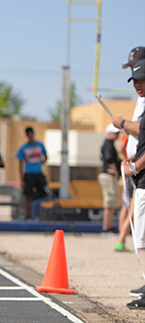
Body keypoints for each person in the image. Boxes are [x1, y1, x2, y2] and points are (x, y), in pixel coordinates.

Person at [112, 46, 145, 252]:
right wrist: (132, 158)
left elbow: (141, 129)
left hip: (140, 169)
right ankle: (122, 236)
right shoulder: (141, 99)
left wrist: (122, 122)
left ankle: (122, 236)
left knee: (135, 209)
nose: (135, 81)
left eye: (140, 76)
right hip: (137, 166)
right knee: (132, 207)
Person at [121, 59, 145, 309]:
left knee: (142, 240)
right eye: (134, 79)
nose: (137, 84)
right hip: (140, 177)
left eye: (141, 79)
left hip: (142, 178)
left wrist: (133, 167)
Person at [16, 126, 48, 220]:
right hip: (29, 173)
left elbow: (46, 156)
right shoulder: (23, 148)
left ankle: (44, 213)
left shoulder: (40, 145)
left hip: (38, 172)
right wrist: (22, 179)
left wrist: (41, 163)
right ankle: (28, 215)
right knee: (28, 195)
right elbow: (20, 164)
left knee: (44, 192)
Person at [98, 123, 121, 234]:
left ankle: (110, 226)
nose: (118, 136)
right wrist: (115, 171)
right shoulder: (108, 144)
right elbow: (109, 159)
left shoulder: (109, 144)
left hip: (108, 176)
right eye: (116, 133)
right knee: (109, 202)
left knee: (112, 203)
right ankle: (106, 227)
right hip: (108, 175)